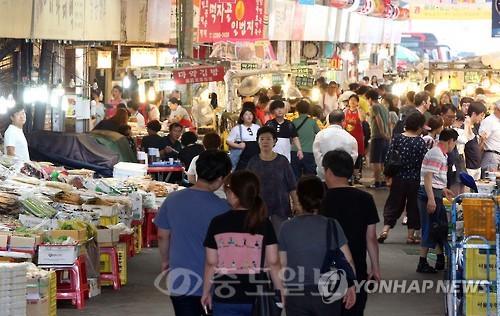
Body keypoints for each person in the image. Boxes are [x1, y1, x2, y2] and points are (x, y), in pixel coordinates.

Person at [155, 149, 232, 315]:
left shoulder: (173, 199)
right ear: (220, 178)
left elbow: (162, 235)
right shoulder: (224, 208)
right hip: (216, 283)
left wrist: (165, 260)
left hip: (181, 280)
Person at [201, 171, 284, 315]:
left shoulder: (218, 223)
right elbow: (273, 262)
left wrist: (206, 292)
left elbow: (211, 263)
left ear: (233, 194)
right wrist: (281, 291)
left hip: (225, 296)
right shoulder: (264, 223)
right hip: (258, 298)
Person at [279, 175, 356, 315]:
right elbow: (348, 260)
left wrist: (282, 289)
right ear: (322, 197)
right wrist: (351, 286)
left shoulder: (286, 227)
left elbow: (282, 265)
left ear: (299, 198)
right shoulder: (332, 225)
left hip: (296, 294)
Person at [322, 149, 381, 316]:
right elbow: (371, 238)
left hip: (325, 272)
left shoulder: (320, 201)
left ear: (329, 171)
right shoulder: (365, 199)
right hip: (357, 272)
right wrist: (375, 268)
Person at [377, 112, 429, 245]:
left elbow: (388, 157)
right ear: (418, 127)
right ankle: (410, 236)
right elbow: (423, 163)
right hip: (414, 179)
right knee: (413, 207)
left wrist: (388, 176)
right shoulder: (420, 142)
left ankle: (385, 230)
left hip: (398, 178)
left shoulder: (397, 138)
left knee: (394, 203)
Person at [417, 128, 458, 274]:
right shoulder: (437, 154)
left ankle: (440, 258)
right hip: (429, 194)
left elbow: (433, 178)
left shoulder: (440, 153)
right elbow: (428, 177)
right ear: (450, 141)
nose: (454, 146)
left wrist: (442, 189)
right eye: (455, 142)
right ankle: (422, 262)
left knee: (438, 227)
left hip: (434, 192)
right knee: (430, 227)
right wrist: (431, 198)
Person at [246, 126, 298, 236]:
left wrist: (297, 203)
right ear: (258, 141)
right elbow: (247, 187)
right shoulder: (253, 162)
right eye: (262, 139)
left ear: (274, 141)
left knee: (279, 239)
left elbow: (291, 185)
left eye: (269, 139)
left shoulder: (282, 161)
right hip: (259, 208)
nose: (265, 142)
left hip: (280, 207)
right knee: (260, 239)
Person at [313, 110, 358, 181]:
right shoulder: (350, 138)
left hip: (324, 178)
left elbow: (317, 155)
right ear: (343, 121)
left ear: (329, 121)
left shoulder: (320, 135)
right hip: (343, 179)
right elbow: (352, 158)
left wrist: (325, 172)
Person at [366, 89, 391, 189]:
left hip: (377, 136)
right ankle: (384, 181)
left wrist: (381, 132)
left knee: (377, 160)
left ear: (370, 99)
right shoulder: (384, 107)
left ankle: (377, 182)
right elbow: (389, 122)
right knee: (384, 161)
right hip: (386, 137)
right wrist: (389, 134)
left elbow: (378, 118)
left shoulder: (375, 107)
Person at [291, 100, 320, 179]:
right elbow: (319, 133)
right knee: (310, 176)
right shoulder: (313, 122)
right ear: (308, 110)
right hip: (309, 151)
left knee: (295, 176)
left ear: (297, 110)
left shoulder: (294, 121)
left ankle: (296, 191)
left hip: (295, 151)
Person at [343, 94, 366, 182]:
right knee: (347, 156)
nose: (352, 102)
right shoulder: (345, 111)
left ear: (357, 102)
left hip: (358, 138)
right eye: (351, 100)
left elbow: (363, 119)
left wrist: (359, 109)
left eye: (354, 100)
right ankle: (348, 175)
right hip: (347, 137)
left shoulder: (359, 111)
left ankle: (356, 176)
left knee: (357, 156)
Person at [464, 102, 487, 180]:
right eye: (481, 115)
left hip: (476, 166)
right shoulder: (466, 125)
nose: (481, 118)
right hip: (469, 167)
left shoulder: (475, 127)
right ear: (474, 113)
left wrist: (482, 140)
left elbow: (476, 148)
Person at [479, 100, 500, 172]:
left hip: (496, 154)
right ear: (496, 109)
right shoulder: (489, 121)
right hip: (491, 154)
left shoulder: (497, 121)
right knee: (490, 179)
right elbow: (482, 138)